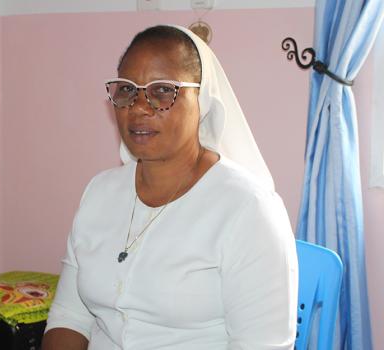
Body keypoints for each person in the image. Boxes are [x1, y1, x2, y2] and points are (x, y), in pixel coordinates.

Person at [42, 24, 298, 350]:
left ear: (202, 98)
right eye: (127, 90)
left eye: (163, 90)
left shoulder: (248, 210)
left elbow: (261, 345)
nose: (138, 106)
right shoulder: (99, 193)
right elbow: (70, 317)